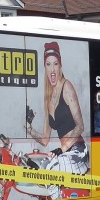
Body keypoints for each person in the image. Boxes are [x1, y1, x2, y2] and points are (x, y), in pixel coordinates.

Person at [24, 41, 88, 174]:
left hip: (77, 150)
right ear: (45, 68)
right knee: (41, 166)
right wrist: (29, 127)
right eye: (48, 64)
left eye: (55, 64)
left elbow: (80, 126)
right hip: (65, 153)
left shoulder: (67, 87)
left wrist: (62, 149)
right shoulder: (48, 98)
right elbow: (45, 140)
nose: (52, 69)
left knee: (50, 170)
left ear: (60, 66)